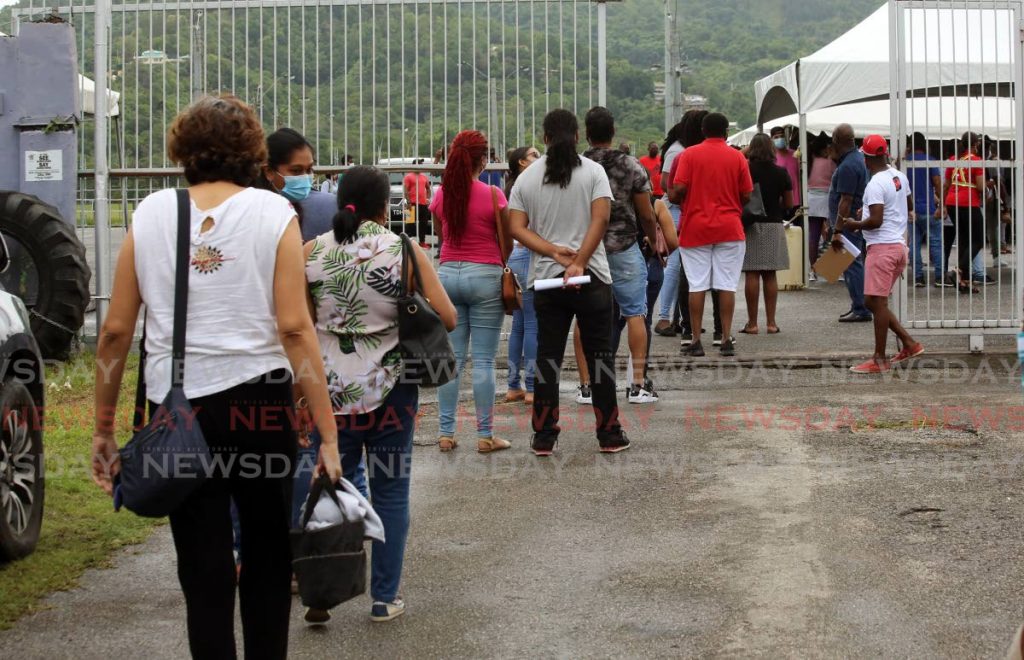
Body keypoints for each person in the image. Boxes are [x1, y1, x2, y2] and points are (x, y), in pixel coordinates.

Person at [91, 94, 342, 659]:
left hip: (181, 411)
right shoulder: (274, 212)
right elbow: (296, 330)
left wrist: (104, 429)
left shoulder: (152, 211)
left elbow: (114, 333)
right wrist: (327, 433)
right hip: (260, 403)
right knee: (268, 555)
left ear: (181, 148)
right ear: (253, 151)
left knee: (201, 567)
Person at [304, 165, 456, 622]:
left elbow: (298, 324)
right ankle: (384, 598)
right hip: (392, 390)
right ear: (384, 206)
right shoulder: (402, 249)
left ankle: (321, 595)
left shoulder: (309, 252)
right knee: (390, 492)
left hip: (328, 392)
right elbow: (446, 318)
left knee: (330, 488)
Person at [260, 128, 368, 529]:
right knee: (317, 447)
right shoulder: (324, 209)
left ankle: (259, 545)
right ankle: (326, 538)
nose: (304, 178)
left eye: (309, 170)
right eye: (296, 170)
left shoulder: (255, 212)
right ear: (269, 170)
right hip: (309, 346)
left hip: (284, 345)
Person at [508, 108, 630, 456]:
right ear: (578, 136)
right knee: (600, 357)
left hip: (546, 281)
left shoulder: (527, 179)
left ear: (544, 138)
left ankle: (544, 436)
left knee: (548, 358)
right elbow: (601, 218)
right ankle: (609, 434)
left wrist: (554, 253)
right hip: (592, 278)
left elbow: (516, 228)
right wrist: (579, 261)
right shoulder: (593, 173)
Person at [430, 131, 513, 453]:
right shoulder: (494, 195)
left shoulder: (441, 194)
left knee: (452, 361)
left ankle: (446, 433)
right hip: (485, 277)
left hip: (448, 276)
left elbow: (441, 233)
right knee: (483, 361)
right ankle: (485, 435)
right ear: (482, 159)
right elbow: (505, 243)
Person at [582, 106, 659, 403]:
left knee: (584, 316)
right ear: (613, 133)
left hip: (587, 250)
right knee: (635, 313)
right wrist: (653, 241)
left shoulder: (579, 165)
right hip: (624, 247)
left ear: (586, 134)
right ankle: (637, 384)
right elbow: (646, 213)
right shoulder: (631, 165)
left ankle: (586, 385)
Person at [836, 135, 924, 373]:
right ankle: (908, 343)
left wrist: (854, 223)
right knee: (873, 302)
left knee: (876, 302)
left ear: (866, 157)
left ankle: (879, 358)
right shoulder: (898, 176)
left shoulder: (875, 184)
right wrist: (866, 211)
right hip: (897, 247)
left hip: (882, 249)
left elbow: (875, 221)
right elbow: (908, 206)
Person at [669, 112, 751, 358]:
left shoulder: (689, 155)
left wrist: (679, 196)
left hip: (696, 228)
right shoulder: (737, 157)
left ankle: (695, 339)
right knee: (726, 285)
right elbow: (747, 194)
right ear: (726, 132)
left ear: (703, 131)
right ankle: (725, 339)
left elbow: (678, 188)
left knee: (697, 284)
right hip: (729, 228)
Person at [740, 133, 793, 335]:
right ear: (772, 149)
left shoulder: (745, 169)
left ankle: (752, 324)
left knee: (751, 272)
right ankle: (771, 323)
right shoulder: (781, 173)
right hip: (773, 223)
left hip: (750, 224)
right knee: (770, 274)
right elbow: (788, 204)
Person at [504, 146, 541, 404]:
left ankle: (512, 385)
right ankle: (531, 386)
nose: (539, 159)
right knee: (532, 324)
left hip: (514, 257)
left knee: (518, 325)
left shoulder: (511, 187)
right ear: (521, 162)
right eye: (534, 156)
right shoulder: (532, 186)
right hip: (530, 255)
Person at [829, 123, 871, 322]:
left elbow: (845, 201)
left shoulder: (848, 165)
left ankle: (861, 307)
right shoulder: (856, 159)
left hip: (847, 224)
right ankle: (857, 304)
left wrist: (837, 229)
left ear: (836, 141)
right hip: (851, 222)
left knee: (852, 264)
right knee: (848, 264)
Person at [939, 131, 986, 294]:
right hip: (969, 202)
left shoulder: (953, 160)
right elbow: (980, 187)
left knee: (965, 240)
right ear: (975, 144)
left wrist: (943, 205)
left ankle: (965, 282)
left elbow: (946, 185)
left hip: (952, 202)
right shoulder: (976, 161)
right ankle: (957, 271)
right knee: (979, 240)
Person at [652, 117, 687, 337]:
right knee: (673, 265)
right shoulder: (677, 150)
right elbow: (666, 183)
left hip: (680, 209)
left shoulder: (682, 148)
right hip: (674, 209)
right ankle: (664, 317)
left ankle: (679, 317)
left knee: (682, 267)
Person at [903, 132, 943, 288]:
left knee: (914, 244)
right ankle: (940, 277)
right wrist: (942, 204)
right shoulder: (930, 161)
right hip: (929, 209)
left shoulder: (906, 162)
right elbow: (937, 183)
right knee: (936, 243)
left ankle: (918, 277)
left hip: (912, 209)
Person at [806, 135, 836, 281]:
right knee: (835, 233)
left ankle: (812, 269)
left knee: (813, 236)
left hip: (811, 199)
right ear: (824, 148)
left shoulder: (809, 161)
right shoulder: (830, 161)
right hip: (827, 199)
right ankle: (834, 268)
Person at [770, 126, 802, 208]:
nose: (780, 139)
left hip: (797, 201)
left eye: (781, 136)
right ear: (771, 140)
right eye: (776, 137)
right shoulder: (771, 158)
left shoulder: (795, 155)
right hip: (780, 202)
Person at [403, 166, 433, 248]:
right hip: (411, 203)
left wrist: (427, 198)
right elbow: (405, 190)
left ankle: (422, 242)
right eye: (419, 164)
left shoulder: (424, 177)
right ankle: (407, 242)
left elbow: (428, 189)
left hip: (423, 204)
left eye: (421, 164)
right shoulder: (408, 176)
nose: (420, 166)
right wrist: (408, 201)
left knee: (424, 223)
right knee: (409, 224)